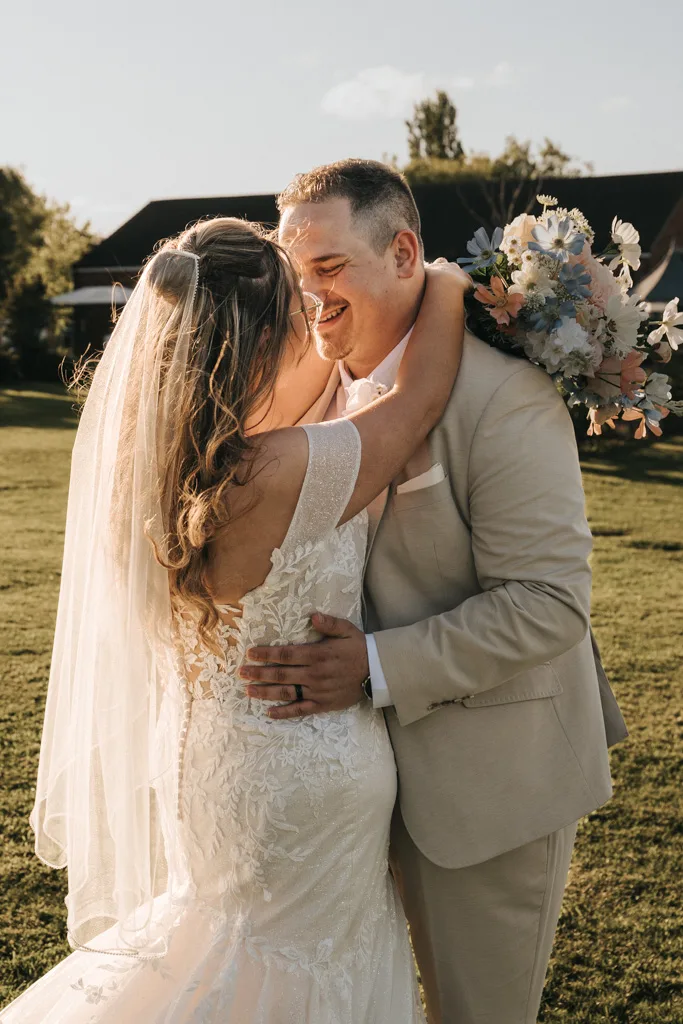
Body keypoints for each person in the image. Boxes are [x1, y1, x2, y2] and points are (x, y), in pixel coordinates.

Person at [0, 215, 469, 1023]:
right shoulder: (282, 470)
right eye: (296, 301)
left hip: (204, 766)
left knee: (219, 948)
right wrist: (451, 283)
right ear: (262, 333)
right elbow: (418, 400)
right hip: (297, 780)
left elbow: (307, 402)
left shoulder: (147, 476)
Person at [242, 159, 629, 1024]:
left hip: (484, 789)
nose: (309, 295)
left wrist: (372, 665)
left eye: (330, 268)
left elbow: (547, 602)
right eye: (295, 272)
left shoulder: (506, 401)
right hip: (337, 797)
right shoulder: (312, 390)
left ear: (405, 252)